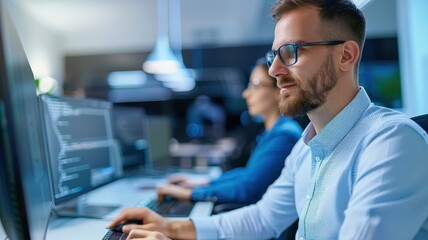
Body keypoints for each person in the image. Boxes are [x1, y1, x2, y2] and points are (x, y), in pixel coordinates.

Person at [108, 0, 428, 239]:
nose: (275, 71)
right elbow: (262, 219)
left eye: (291, 52)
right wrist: (170, 226)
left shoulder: (392, 143)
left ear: (346, 55)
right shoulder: (307, 147)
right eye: (274, 55)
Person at [157, 58, 302, 205]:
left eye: (255, 85)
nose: (246, 93)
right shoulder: (272, 131)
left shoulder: (283, 136)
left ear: (278, 90)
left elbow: (247, 188)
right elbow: (248, 174)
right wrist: (202, 182)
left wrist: (191, 194)